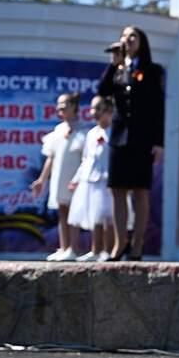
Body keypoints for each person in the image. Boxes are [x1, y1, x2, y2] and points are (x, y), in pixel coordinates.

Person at [97, 27, 165, 261]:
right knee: (117, 191)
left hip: (142, 139)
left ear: (142, 42)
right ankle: (120, 243)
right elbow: (102, 91)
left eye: (132, 36)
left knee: (140, 191)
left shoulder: (152, 70)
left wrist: (159, 142)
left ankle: (137, 244)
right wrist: (113, 63)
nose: (127, 40)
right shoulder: (118, 68)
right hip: (118, 138)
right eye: (125, 36)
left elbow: (158, 108)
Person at [31, 93, 86, 261]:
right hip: (59, 178)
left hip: (74, 180)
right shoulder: (57, 131)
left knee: (73, 213)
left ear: (74, 107)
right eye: (59, 105)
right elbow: (51, 158)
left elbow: (85, 160)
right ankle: (64, 247)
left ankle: (73, 249)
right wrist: (42, 180)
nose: (60, 108)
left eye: (64, 105)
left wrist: (78, 179)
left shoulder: (83, 132)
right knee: (62, 212)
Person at [68, 96, 115, 262]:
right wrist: (77, 178)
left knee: (109, 217)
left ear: (109, 111)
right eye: (92, 108)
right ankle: (95, 250)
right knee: (94, 216)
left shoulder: (115, 132)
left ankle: (108, 251)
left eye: (98, 109)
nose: (93, 112)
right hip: (91, 180)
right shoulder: (91, 134)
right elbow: (86, 159)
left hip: (108, 180)